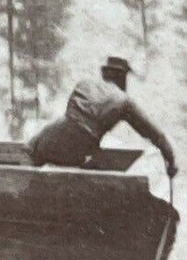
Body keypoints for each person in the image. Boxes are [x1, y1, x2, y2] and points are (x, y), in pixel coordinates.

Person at [31, 55, 177, 177]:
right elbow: (156, 135)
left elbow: (71, 122)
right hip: (77, 151)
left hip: (47, 142)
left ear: (104, 74)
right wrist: (170, 161)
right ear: (122, 77)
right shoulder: (124, 101)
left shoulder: (84, 84)